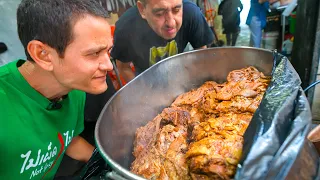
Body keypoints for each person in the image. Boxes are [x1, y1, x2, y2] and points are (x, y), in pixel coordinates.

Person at [0, 0, 113, 179]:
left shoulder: (74, 87)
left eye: (109, 51)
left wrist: (112, 165)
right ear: (42, 54)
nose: (109, 65)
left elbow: (67, 138)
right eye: (94, 53)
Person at [111, 0, 215, 82]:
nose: (171, 23)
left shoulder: (192, 14)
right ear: (142, 9)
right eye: (160, 14)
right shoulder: (125, 27)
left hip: (181, 70)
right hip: (145, 77)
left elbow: (201, 55)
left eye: (176, 10)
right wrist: (143, 92)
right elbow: (123, 67)